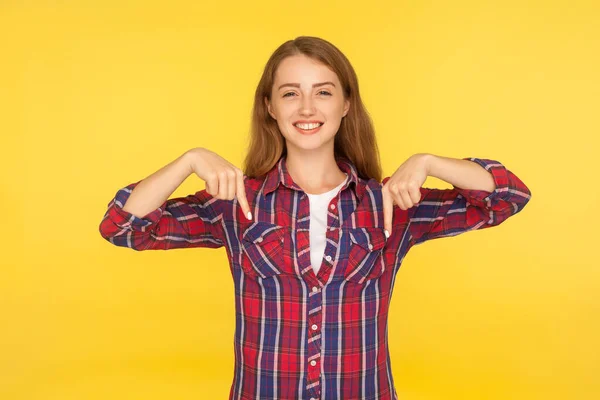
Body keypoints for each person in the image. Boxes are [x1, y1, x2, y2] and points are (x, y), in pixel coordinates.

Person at [99, 36, 531, 400]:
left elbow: (507, 196)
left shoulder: (389, 203)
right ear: (270, 106)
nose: (307, 107)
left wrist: (430, 161)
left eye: (323, 91)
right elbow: (122, 226)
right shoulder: (236, 203)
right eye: (291, 93)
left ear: (346, 104)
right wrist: (188, 159)